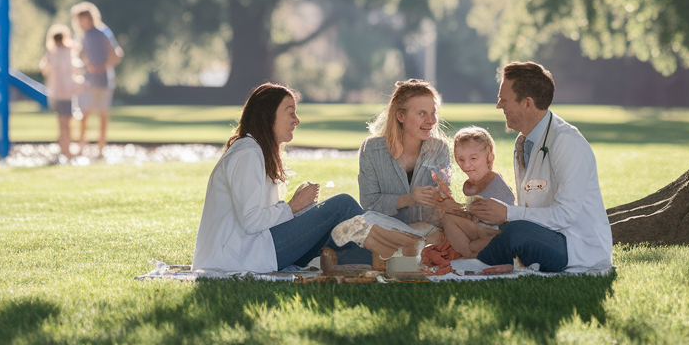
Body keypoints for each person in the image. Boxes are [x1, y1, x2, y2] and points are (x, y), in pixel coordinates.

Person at [193, 83, 376, 272]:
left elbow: (259, 215)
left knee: (335, 227)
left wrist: (298, 209)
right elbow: (251, 221)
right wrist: (293, 206)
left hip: (255, 251)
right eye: (290, 113)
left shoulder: (256, 152)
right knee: (342, 205)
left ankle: (366, 263)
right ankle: (382, 259)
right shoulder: (247, 154)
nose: (297, 120)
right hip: (241, 257)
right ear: (268, 115)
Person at [466, 62, 613, 273]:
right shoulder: (522, 142)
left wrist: (508, 213)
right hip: (546, 235)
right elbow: (528, 206)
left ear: (527, 103)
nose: (499, 106)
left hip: (577, 248)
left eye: (504, 99)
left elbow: (564, 216)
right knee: (493, 229)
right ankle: (476, 257)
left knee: (517, 233)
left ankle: (472, 264)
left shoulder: (566, 142)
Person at [357, 79, 452, 228]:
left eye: (434, 113)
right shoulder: (372, 149)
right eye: (422, 113)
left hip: (427, 229)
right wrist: (410, 199)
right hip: (384, 230)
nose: (431, 120)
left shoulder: (439, 149)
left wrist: (441, 197)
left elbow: (445, 198)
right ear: (401, 116)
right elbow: (369, 203)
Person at [436, 126, 515, 258]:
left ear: (489, 157)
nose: (466, 166)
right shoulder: (474, 182)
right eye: (461, 160)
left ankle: (469, 253)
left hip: (496, 231)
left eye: (473, 159)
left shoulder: (494, 182)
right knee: (445, 218)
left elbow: (509, 207)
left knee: (447, 220)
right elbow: (472, 213)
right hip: (480, 229)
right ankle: (469, 251)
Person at [72, 1, 123, 153]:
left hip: (103, 80)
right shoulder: (82, 36)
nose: (81, 23)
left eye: (83, 19)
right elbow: (79, 56)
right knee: (84, 114)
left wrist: (103, 66)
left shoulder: (102, 32)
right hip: (88, 80)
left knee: (102, 114)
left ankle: (101, 148)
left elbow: (117, 54)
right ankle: (81, 146)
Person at [40, 24, 82, 158]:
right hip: (64, 92)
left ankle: (64, 148)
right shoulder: (65, 52)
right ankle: (66, 149)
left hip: (60, 92)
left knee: (63, 122)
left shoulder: (53, 53)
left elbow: (46, 69)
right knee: (66, 123)